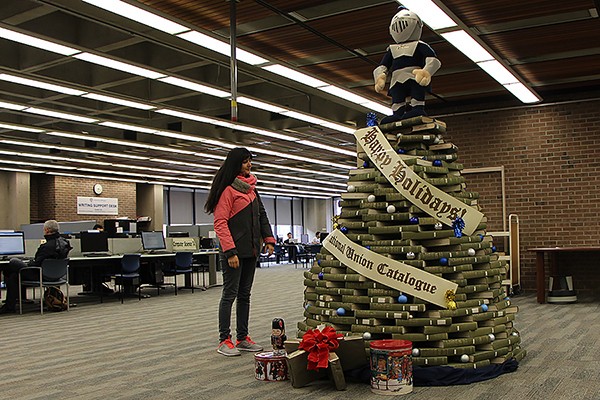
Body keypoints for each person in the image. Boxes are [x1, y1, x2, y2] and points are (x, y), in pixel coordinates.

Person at [204, 147, 276, 357]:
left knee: (245, 295)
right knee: (230, 294)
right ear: (236, 164)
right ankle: (224, 339)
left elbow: (262, 215)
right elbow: (220, 223)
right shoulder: (228, 191)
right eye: (245, 161)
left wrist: (269, 239)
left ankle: (242, 338)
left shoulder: (252, 190)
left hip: (251, 251)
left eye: (250, 161)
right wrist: (230, 251)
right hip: (233, 254)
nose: (249, 165)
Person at [0, 220, 71, 314]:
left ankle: (10, 307)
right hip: (56, 276)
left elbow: (37, 264)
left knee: (13, 262)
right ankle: (12, 304)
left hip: (40, 275)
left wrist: (28, 263)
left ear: (47, 230)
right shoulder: (65, 243)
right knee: (13, 276)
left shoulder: (45, 247)